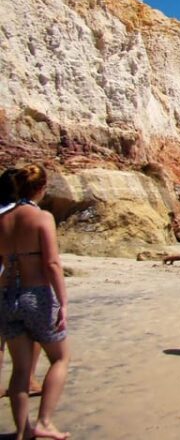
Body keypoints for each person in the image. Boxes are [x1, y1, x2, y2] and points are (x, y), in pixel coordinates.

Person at [0, 164, 70, 440]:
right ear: (41, 188)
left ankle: (22, 431)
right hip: (36, 296)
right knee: (60, 358)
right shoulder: (42, 218)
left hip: (6, 297)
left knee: (20, 368)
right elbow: (52, 262)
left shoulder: (2, 220)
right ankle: (44, 421)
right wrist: (62, 302)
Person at [0, 169, 44, 400]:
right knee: (33, 335)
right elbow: (50, 259)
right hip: (24, 286)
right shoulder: (31, 215)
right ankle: (30, 380)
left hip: (5, 285)